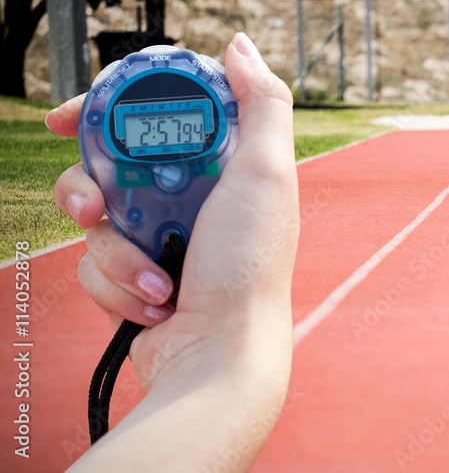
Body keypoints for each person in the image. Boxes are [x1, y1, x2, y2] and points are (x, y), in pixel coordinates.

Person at [45, 33, 300, 472]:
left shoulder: (114, 112)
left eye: (178, 128)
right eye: (149, 131)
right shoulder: (136, 107)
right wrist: (214, 362)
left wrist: (216, 349)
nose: (164, 173)